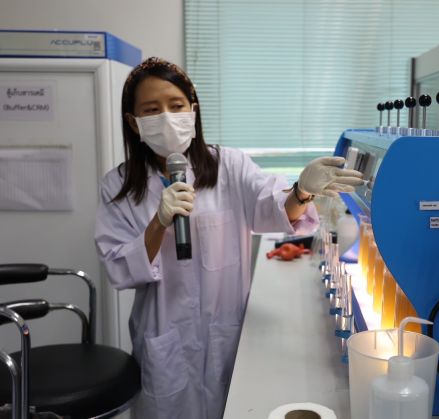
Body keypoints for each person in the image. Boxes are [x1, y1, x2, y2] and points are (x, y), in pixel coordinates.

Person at [94, 57, 363, 419]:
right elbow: (118, 268)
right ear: (133, 122)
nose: (167, 118)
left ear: (193, 110)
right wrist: (158, 223)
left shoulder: (229, 166)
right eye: (152, 110)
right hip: (165, 340)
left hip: (226, 332)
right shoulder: (118, 187)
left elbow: (270, 206)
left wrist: (301, 191)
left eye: (176, 106)